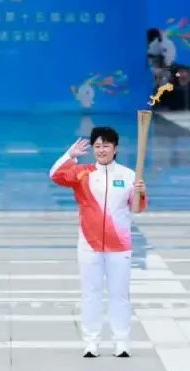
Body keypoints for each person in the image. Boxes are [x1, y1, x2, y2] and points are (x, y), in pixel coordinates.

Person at [49, 127, 148, 357]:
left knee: (120, 294)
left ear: (115, 149)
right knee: (91, 294)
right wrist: (70, 156)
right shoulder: (82, 172)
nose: (101, 150)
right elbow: (54, 175)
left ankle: (121, 341)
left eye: (106, 145)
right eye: (97, 146)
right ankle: (91, 342)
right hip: (89, 244)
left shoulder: (129, 175)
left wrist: (141, 193)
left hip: (120, 246)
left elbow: (138, 208)